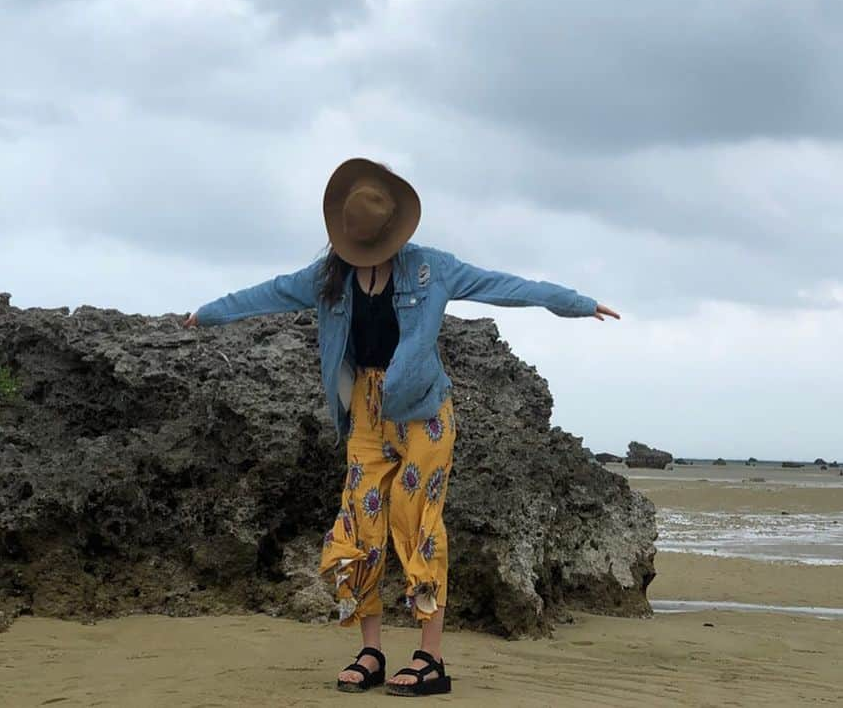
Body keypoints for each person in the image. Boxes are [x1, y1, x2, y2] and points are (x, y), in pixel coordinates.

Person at [182, 157, 619, 696]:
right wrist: (207, 313)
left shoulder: (430, 269)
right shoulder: (329, 279)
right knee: (360, 524)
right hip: (364, 411)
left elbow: (506, 286)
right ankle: (371, 652)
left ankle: (430, 659)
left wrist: (576, 304)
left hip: (424, 415)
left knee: (416, 523)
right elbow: (266, 293)